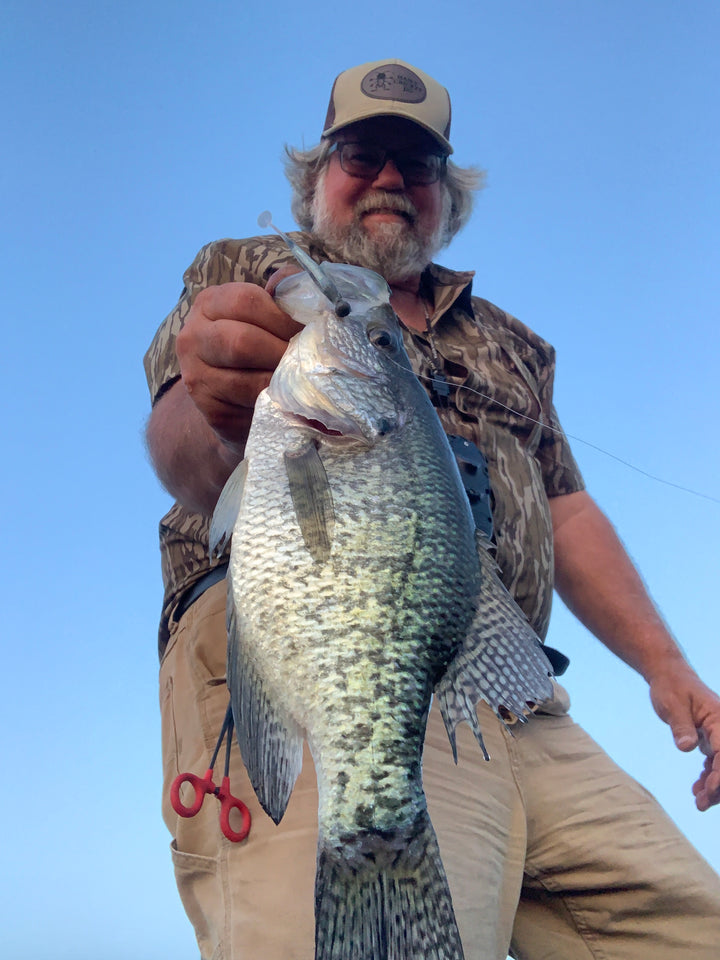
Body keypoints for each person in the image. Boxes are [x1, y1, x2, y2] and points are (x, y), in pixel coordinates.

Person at [144, 58, 720, 960]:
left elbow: (566, 511)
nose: (388, 181)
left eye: (416, 166)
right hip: (313, 648)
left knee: (693, 930)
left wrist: (667, 668)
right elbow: (178, 441)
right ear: (315, 176)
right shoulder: (251, 271)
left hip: (512, 691)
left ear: (448, 194)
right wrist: (216, 406)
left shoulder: (510, 342)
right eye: (361, 155)